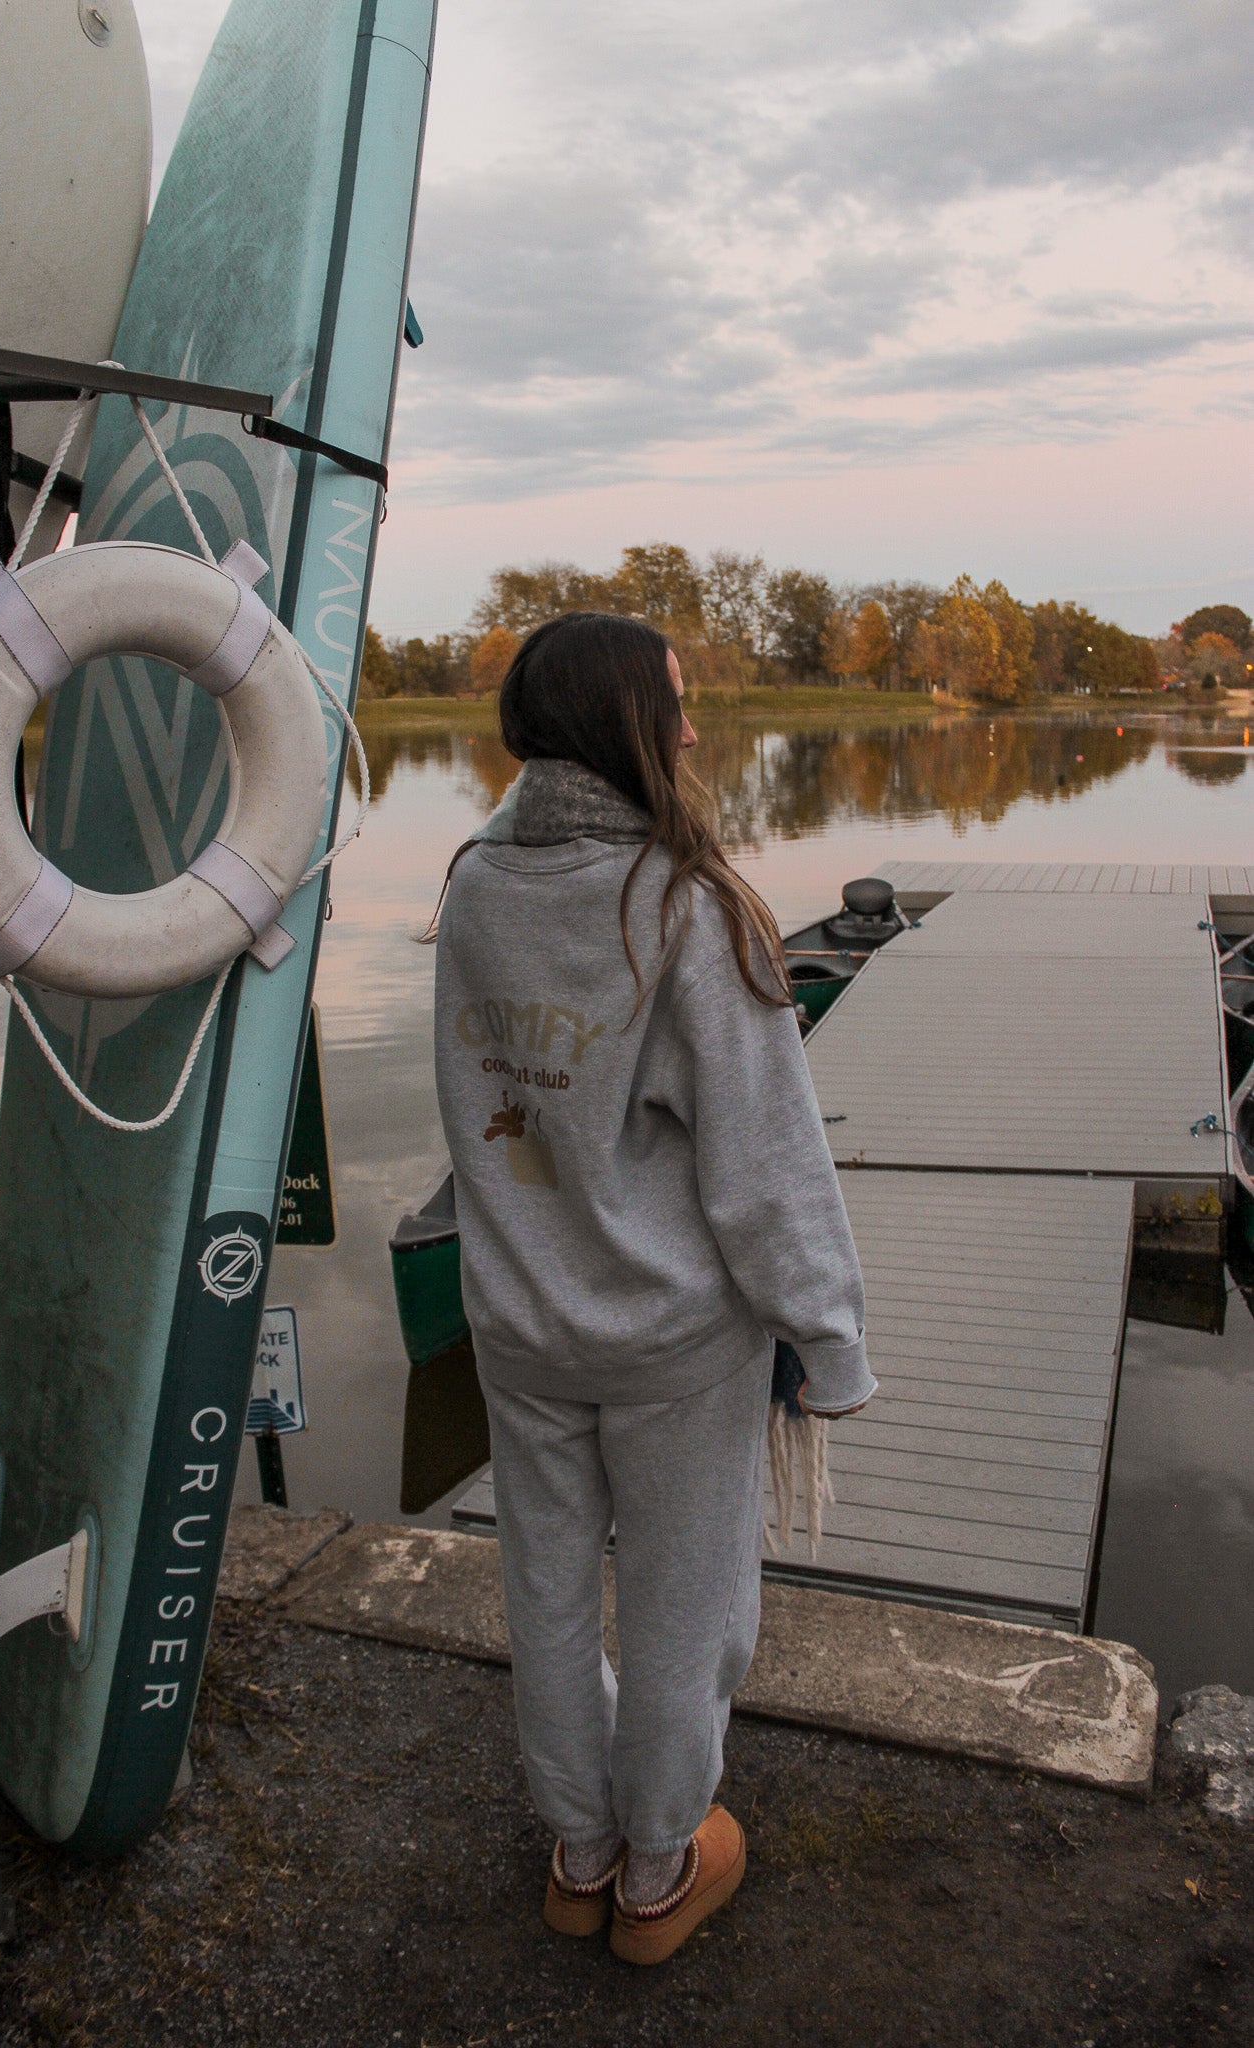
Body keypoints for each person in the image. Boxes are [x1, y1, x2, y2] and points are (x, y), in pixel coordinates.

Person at [430, 612, 874, 1965]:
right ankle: (656, 1875)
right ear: (624, 725)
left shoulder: (470, 884)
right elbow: (766, 1163)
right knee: (686, 1612)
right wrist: (827, 1339)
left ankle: (578, 1850)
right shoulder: (686, 902)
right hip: (675, 1342)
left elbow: (473, 1107)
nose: (691, 729)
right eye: (673, 705)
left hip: (518, 1322)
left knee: (548, 1592)